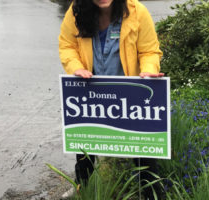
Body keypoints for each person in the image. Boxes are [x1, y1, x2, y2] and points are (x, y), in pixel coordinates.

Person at [58, 0, 164, 199]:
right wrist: (76, 67)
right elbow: (67, 45)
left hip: (129, 98)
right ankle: (83, 190)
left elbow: (149, 51)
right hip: (91, 96)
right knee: (84, 149)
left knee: (144, 153)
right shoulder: (76, 11)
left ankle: (151, 194)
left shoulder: (137, 12)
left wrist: (149, 72)